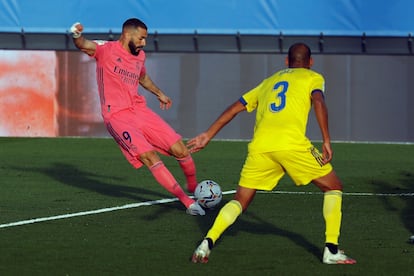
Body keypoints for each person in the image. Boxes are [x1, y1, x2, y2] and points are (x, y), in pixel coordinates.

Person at [188, 43, 356, 263]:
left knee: (240, 200)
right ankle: (331, 250)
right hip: (292, 145)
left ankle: (206, 243)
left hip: (260, 148)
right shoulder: (313, 77)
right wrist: (326, 139)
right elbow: (318, 101)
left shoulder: (268, 82)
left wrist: (207, 135)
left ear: (286, 61)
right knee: (333, 186)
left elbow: (234, 108)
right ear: (310, 62)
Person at [70, 18, 205, 216]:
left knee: (181, 149)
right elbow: (83, 44)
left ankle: (193, 188)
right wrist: (76, 34)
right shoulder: (106, 50)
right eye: (141, 38)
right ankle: (188, 202)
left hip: (139, 111)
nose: (144, 43)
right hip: (116, 116)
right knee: (149, 157)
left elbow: (142, 77)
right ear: (128, 34)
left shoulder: (139, 56)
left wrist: (159, 93)